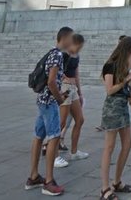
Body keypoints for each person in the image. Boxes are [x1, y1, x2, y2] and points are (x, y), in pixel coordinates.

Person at [26, 27, 72, 196]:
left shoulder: (51, 53)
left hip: (43, 100)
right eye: (71, 39)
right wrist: (60, 99)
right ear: (64, 38)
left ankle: (33, 176)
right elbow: (52, 81)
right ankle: (49, 181)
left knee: (38, 136)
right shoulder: (58, 55)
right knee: (54, 137)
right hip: (50, 102)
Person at [99, 37, 131, 200]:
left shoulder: (125, 69)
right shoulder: (110, 66)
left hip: (123, 109)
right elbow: (109, 90)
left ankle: (116, 181)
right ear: (126, 52)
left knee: (127, 145)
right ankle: (104, 189)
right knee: (109, 147)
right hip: (112, 109)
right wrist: (126, 79)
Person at [56, 33, 87, 167]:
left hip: (73, 88)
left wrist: (80, 92)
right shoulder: (64, 54)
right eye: (79, 46)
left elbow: (76, 73)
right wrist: (65, 79)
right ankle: (54, 155)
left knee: (80, 119)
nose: (80, 48)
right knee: (62, 122)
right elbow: (56, 71)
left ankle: (74, 152)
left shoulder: (76, 55)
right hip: (64, 88)